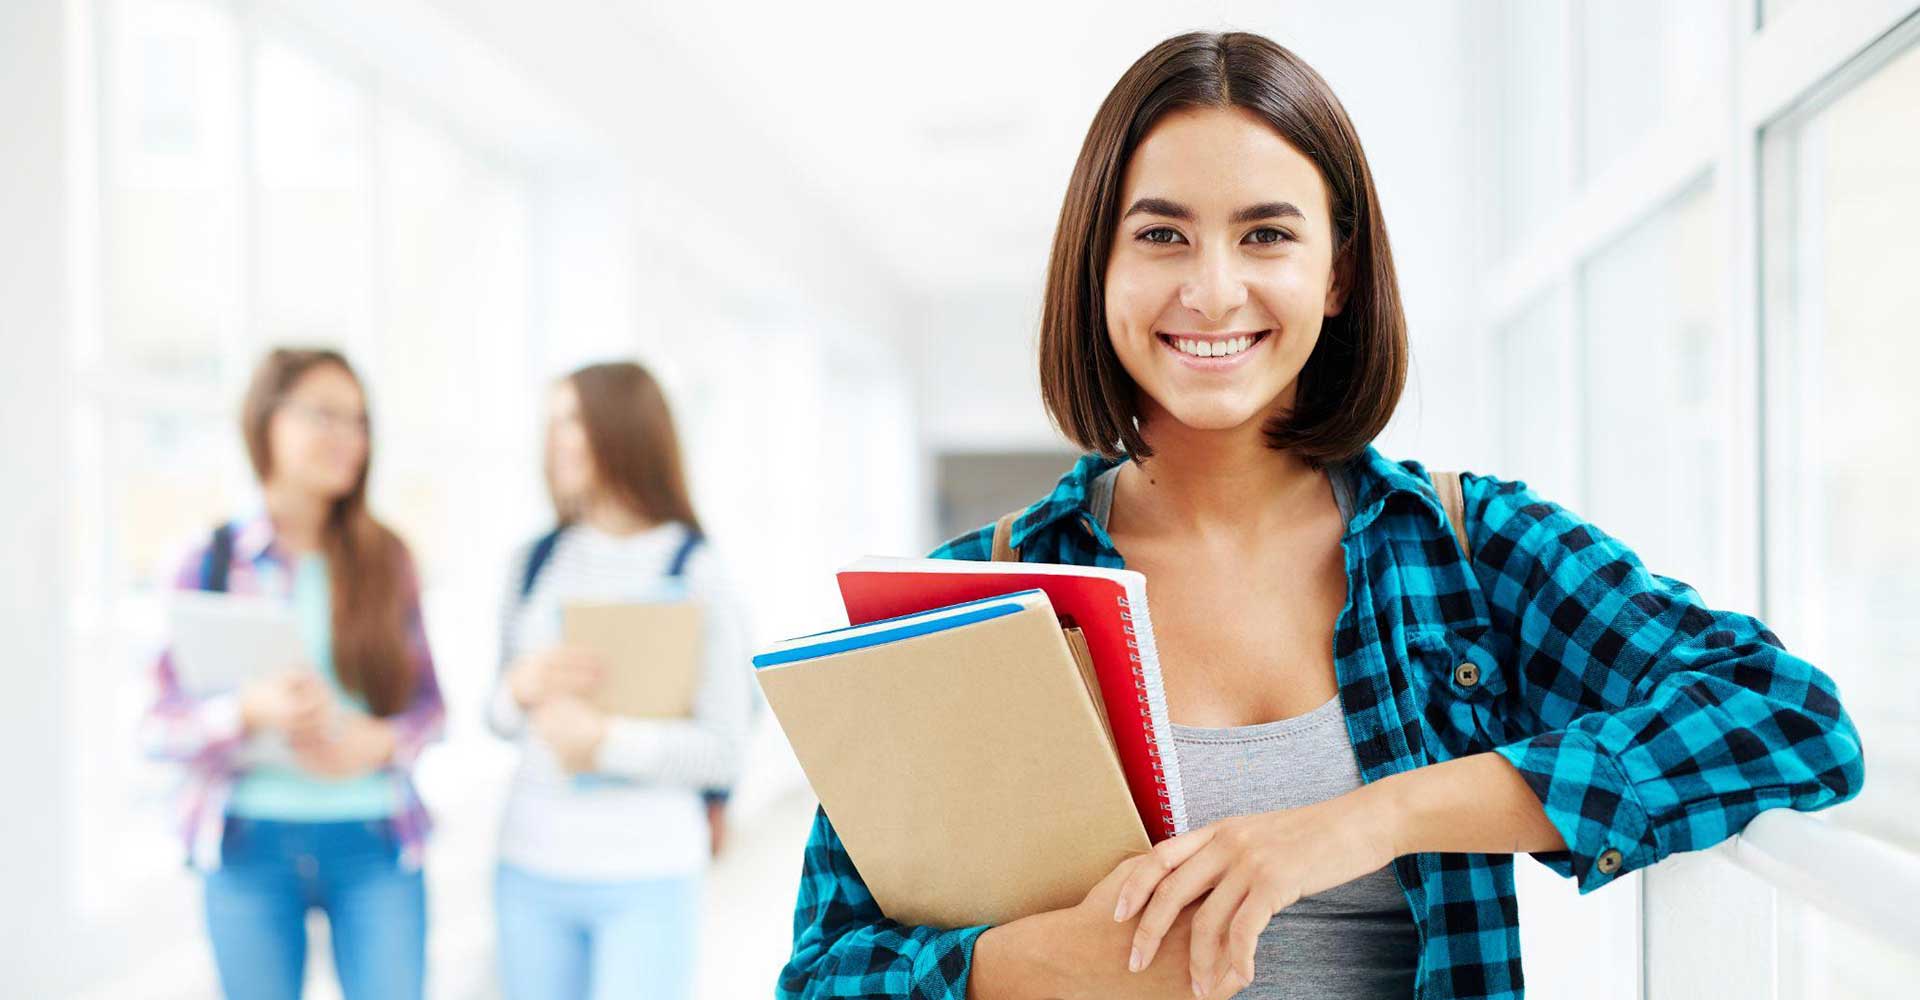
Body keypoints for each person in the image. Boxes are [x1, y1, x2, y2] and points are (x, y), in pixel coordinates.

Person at [778, 31, 1864, 1000]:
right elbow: (824, 971)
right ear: (1098, 267)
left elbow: (1787, 715)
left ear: (1337, 274)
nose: (1213, 291)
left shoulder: (1465, 549)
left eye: (1265, 235)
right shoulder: (967, 603)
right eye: (1161, 236)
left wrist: (1365, 820)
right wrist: (1021, 967)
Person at [143, 347, 445, 1000]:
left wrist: (383, 742)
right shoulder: (208, 561)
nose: (348, 438)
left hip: (373, 837)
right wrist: (245, 712)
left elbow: (430, 707)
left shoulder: (388, 559)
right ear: (266, 421)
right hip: (248, 844)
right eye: (324, 415)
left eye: (359, 421)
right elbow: (156, 728)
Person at [487, 360, 752, 1000]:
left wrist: (605, 744)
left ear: (624, 430)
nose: (556, 440)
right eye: (552, 423)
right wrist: (519, 689)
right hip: (530, 865)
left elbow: (724, 749)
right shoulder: (533, 562)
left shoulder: (698, 571)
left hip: (648, 870)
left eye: (573, 421)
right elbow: (494, 716)